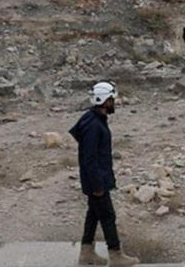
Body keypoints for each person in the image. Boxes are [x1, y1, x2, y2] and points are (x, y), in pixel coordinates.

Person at [69, 81, 139, 266]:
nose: (113, 103)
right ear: (104, 100)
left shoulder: (93, 119)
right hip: (96, 180)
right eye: (111, 99)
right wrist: (98, 185)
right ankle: (116, 255)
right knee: (108, 216)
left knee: (93, 214)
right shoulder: (93, 125)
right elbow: (90, 158)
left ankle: (86, 253)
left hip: (96, 178)